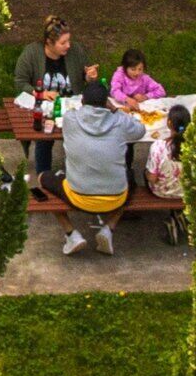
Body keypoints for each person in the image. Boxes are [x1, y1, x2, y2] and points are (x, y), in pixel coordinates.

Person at [54, 83, 146, 257]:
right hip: (115, 198)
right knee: (130, 178)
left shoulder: (70, 119)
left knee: (44, 179)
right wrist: (116, 111)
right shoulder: (119, 121)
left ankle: (71, 233)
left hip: (78, 195)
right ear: (107, 102)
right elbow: (140, 130)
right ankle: (109, 228)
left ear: (82, 101)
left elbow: (70, 116)